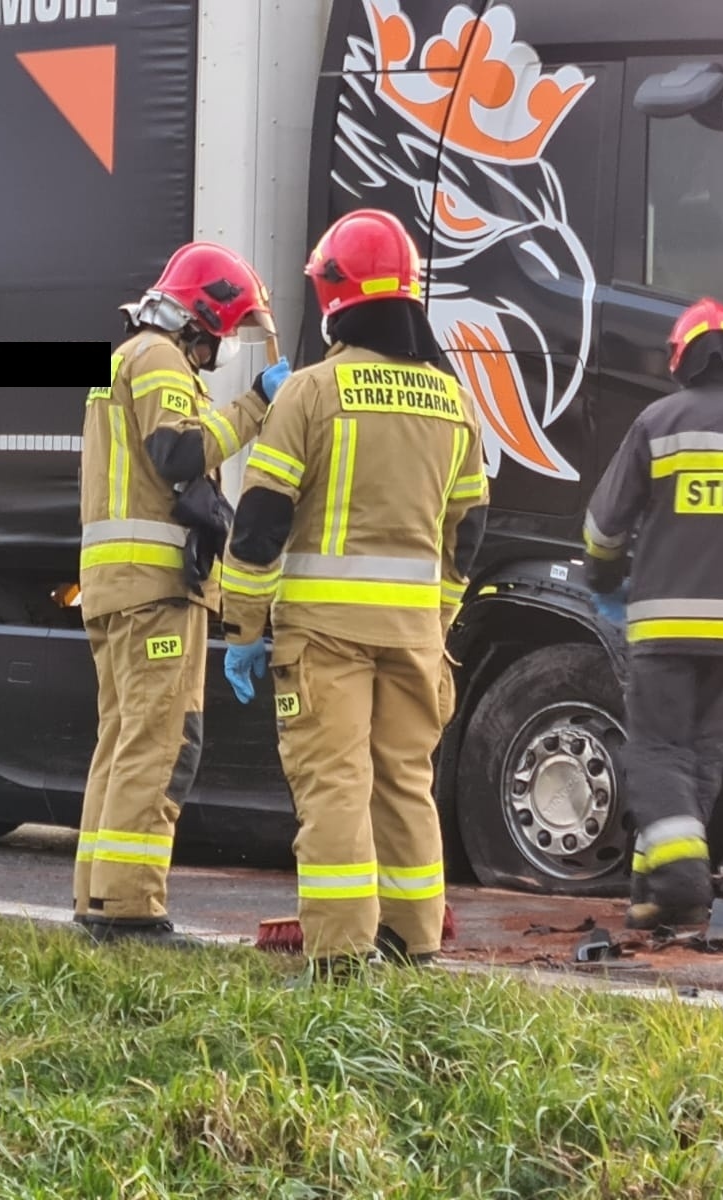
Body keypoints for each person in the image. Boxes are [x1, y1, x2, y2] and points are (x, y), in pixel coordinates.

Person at [220, 208, 489, 982]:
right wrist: (436, 619)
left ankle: (338, 957)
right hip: (413, 636)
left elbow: (261, 523)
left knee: (336, 786)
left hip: (323, 637)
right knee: (406, 784)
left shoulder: (309, 392)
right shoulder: (452, 401)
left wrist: (242, 628)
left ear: (335, 296)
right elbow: (465, 535)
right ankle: (413, 945)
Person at [75, 241, 292, 946]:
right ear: (201, 319)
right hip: (152, 594)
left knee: (124, 740)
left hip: (123, 589)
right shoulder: (159, 360)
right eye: (225, 334)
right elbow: (176, 453)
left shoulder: (128, 359)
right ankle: (131, 911)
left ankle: (99, 899)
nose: (223, 348)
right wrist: (256, 407)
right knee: (162, 744)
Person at [580, 298, 723, 930]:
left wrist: (604, 578)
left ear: (680, 360)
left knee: (656, 752)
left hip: (667, 625)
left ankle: (680, 876)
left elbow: (602, 529)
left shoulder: (658, 421)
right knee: (700, 757)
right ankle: (659, 892)